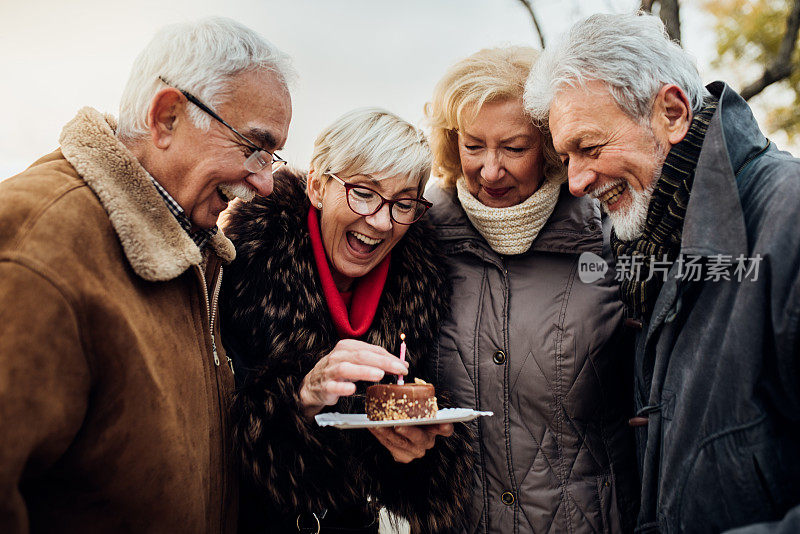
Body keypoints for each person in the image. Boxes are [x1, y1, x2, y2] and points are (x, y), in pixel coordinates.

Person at [0, 17, 292, 533]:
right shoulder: (37, 245)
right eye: (253, 147)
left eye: (273, 156)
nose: (266, 182)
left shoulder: (198, 253)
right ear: (167, 118)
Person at [525, 12, 800, 533]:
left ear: (671, 112)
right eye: (566, 157)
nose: (577, 181)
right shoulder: (646, 236)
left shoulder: (788, 219)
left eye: (589, 146)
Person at [219, 108, 473, 533]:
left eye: (403, 204)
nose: (380, 221)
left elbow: (407, 483)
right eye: (363, 193)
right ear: (318, 186)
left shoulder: (417, 289)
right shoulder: (242, 267)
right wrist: (301, 395)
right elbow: (221, 432)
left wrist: (413, 452)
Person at [424, 47, 639, 533]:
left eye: (514, 148)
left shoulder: (612, 235)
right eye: (473, 145)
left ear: (550, 144)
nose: (491, 169)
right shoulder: (419, 237)